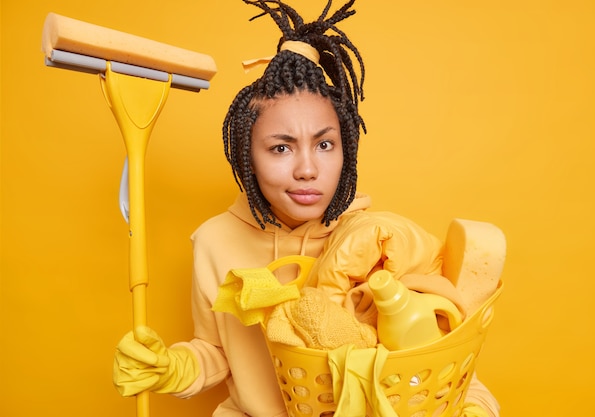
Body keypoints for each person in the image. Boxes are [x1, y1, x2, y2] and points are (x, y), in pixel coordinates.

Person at [112, 1, 501, 416]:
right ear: (248, 156)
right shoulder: (215, 241)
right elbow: (216, 350)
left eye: (324, 144)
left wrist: (476, 408)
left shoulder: (379, 244)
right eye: (281, 147)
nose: (307, 169)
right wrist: (173, 368)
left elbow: (446, 365)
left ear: (346, 149)